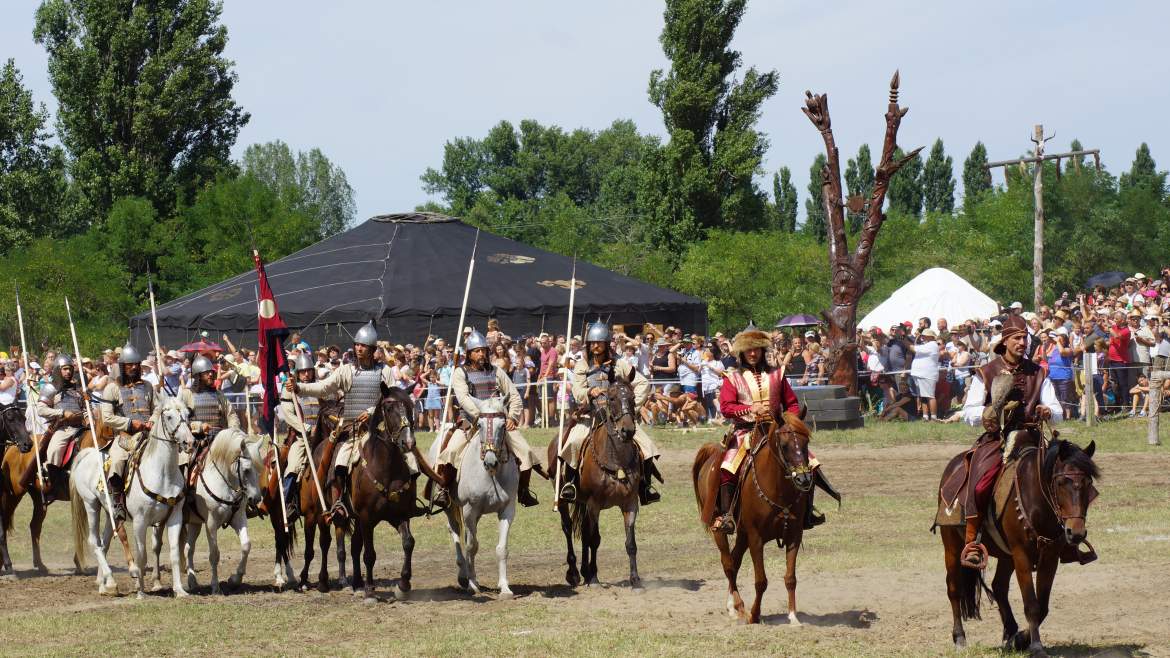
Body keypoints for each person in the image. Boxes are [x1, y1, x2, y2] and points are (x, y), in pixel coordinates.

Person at [954, 315, 1065, 569]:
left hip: (1033, 439)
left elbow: (1057, 410)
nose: (1023, 342)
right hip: (998, 440)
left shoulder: (1038, 372)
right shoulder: (987, 372)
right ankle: (973, 540)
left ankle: (1067, 540)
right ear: (1004, 342)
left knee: (1068, 476)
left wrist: (1047, 411)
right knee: (981, 482)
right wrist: (988, 414)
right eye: (1017, 338)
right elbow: (968, 412)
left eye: (1025, 338)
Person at [711, 322, 839, 534]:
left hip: (777, 429)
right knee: (728, 467)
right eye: (748, 350)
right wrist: (750, 408)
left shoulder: (777, 374)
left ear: (762, 350)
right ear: (742, 352)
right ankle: (726, 515)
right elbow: (726, 407)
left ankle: (808, 511)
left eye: (756, 349)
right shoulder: (732, 377)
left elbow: (792, 403)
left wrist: (790, 420)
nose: (752, 353)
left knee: (810, 463)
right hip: (745, 431)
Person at [288, 321, 398, 525]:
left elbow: (392, 397)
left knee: (407, 457)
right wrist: (299, 388)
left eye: (363, 346)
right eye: (356, 344)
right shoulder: (346, 370)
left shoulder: (385, 372)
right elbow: (323, 388)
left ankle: (406, 500)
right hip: (353, 430)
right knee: (340, 460)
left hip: (380, 430)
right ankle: (339, 502)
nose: (358, 348)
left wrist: (372, 411)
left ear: (373, 349)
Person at [432, 328, 543, 509]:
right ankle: (444, 490)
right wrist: (479, 417)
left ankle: (523, 490)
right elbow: (463, 398)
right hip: (470, 422)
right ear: (469, 354)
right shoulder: (461, 373)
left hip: (499, 422)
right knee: (451, 451)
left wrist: (513, 418)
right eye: (477, 351)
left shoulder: (496, 371)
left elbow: (514, 395)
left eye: (483, 350)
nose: (481, 354)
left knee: (525, 451)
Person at [557, 321, 662, 505]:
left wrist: (629, 409)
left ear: (606, 343)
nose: (595, 346)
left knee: (646, 446)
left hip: (618, 418)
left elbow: (642, 383)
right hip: (591, 417)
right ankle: (571, 484)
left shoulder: (619, 363)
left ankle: (645, 487)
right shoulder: (583, 365)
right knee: (573, 442)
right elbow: (577, 391)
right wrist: (589, 392)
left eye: (599, 342)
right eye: (592, 342)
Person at [99, 343, 156, 521]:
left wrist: (152, 421)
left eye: (136, 364)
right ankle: (117, 503)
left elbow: (157, 408)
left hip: (149, 437)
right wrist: (131, 423)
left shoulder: (147, 386)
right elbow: (107, 417)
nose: (133, 367)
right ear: (122, 367)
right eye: (129, 365)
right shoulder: (112, 388)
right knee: (117, 461)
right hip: (125, 438)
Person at [29, 354, 88, 504]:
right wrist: (62, 412)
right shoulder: (50, 388)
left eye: (70, 369)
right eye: (65, 369)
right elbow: (41, 409)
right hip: (63, 429)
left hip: (81, 428)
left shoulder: (78, 389)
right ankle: (53, 488)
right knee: (55, 450)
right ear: (57, 370)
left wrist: (88, 416)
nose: (68, 372)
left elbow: (86, 408)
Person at [275, 353, 326, 523]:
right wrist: (305, 428)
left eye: (308, 371)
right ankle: (289, 503)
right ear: (298, 373)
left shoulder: (319, 388)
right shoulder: (289, 390)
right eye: (302, 372)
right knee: (294, 466)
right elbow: (288, 415)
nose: (306, 375)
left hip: (322, 438)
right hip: (301, 438)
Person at [179, 354, 239, 473]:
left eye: (211, 372)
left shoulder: (219, 395)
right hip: (196, 442)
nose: (211, 374)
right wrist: (198, 426)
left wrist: (233, 431)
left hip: (220, 441)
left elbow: (231, 415)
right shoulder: (187, 394)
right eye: (206, 372)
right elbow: (181, 420)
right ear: (198, 376)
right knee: (184, 468)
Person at [909, 328, 941, 420]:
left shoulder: (932, 345)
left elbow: (912, 348)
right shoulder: (926, 345)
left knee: (930, 396)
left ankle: (934, 417)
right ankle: (925, 416)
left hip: (927, 374)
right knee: (923, 396)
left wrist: (904, 339)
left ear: (931, 337)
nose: (923, 336)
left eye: (924, 335)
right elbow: (915, 346)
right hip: (921, 374)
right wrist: (917, 337)